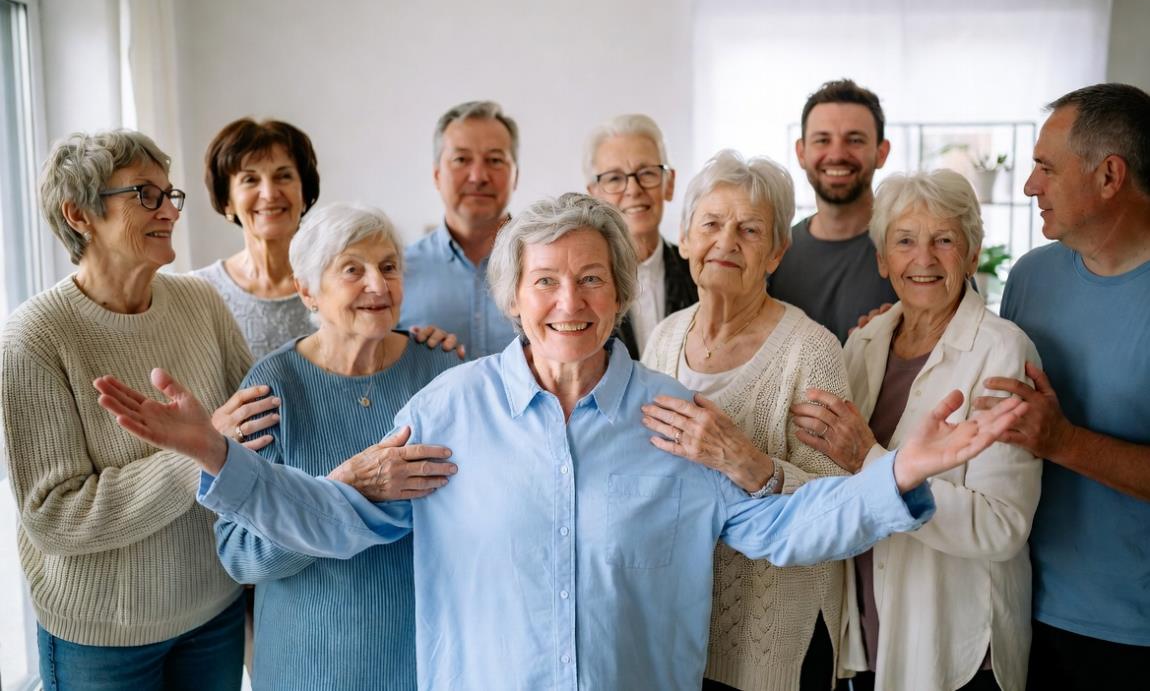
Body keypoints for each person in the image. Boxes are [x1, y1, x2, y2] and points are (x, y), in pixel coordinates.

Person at [95, 193, 1030, 691]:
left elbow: (782, 528)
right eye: (544, 281)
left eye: (591, 279)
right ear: (513, 298)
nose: (568, 302)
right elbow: (337, 518)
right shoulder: (455, 408)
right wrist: (217, 456)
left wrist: (900, 471)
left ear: (620, 294)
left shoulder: (673, 417)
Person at [1, 130, 279, 690]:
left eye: (169, 194)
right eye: (144, 195)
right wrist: (199, 453)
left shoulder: (201, 303)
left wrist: (388, 342)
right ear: (79, 214)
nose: (169, 211)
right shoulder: (33, 339)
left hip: (214, 609)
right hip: (101, 639)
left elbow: (263, 422)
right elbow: (55, 516)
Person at [791, 170, 1042, 691]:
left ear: (972, 256)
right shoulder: (863, 343)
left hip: (955, 643)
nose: (923, 259)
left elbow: (1001, 525)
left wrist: (871, 459)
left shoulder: (1002, 350)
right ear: (883, 259)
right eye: (904, 241)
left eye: (944, 240)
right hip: (872, 630)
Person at [214, 203, 460, 690]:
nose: (378, 285)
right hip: (310, 663)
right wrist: (344, 491)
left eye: (388, 266)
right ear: (307, 289)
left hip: (428, 658)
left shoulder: (440, 370)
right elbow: (239, 553)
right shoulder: (272, 387)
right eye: (353, 269)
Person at [641, 150, 850, 691]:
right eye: (711, 224)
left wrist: (748, 463)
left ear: (777, 252)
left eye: (750, 230)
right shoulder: (664, 337)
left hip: (772, 640)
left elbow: (838, 512)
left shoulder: (813, 352)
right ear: (684, 239)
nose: (727, 241)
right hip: (676, 628)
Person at [972, 83, 1150, 690]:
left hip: (1133, 633)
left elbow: (1048, 435)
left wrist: (1064, 442)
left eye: (1046, 168)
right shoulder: (1030, 277)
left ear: (1109, 176)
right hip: (1025, 608)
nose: (1029, 186)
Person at [769, 79, 897, 342]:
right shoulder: (774, 255)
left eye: (855, 140)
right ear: (801, 152)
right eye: (822, 140)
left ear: (881, 152)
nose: (837, 154)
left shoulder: (917, 250)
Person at [396, 100, 520, 357]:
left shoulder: (548, 267)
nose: (478, 176)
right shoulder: (398, 273)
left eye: (495, 160)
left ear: (515, 176)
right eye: (461, 159)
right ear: (437, 175)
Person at [192, 118, 321, 359]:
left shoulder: (339, 279)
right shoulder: (198, 292)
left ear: (304, 192)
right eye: (250, 180)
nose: (270, 194)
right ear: (227, 201)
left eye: (283, 176)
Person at [585, 113, 697, 358]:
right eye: (615, 178)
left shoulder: (699, 274)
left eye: (646, 173)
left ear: (669, 183)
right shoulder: (581, 287)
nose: (634, 190)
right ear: (594, 195)